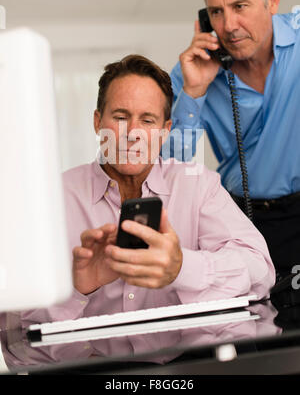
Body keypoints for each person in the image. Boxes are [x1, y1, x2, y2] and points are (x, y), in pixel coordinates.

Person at [2, 54, 274, 364]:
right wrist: (77, 290)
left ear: (165, 129)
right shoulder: (49, 199)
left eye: (147, 120)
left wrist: (182, 268)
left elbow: (259, 270)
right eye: (120, 116)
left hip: (189, 368)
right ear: (97, 122)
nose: (132, 132)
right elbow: (16, 331)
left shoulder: (199, 186)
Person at [169, 0, 300, 279]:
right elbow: (169, 171)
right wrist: (195, 92)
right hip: (244, 219)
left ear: (272, 1)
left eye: (240, 6)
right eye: (216, 12)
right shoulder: (189, 76)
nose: (228, 25)